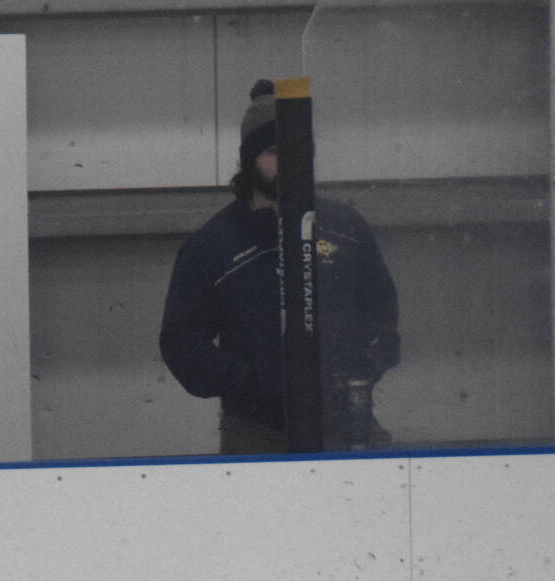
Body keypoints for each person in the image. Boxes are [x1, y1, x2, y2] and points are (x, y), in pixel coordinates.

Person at [160, 79, 400, 454]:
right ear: (249, 158)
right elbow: (182, 345)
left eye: (299, 149)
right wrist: (251, 381)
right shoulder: (214, 245)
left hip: (348, 427)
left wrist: (362, 364)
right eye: (274, 151)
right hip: (258, 434)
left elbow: (382, 315)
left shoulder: (345, 228)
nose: (288, 161)